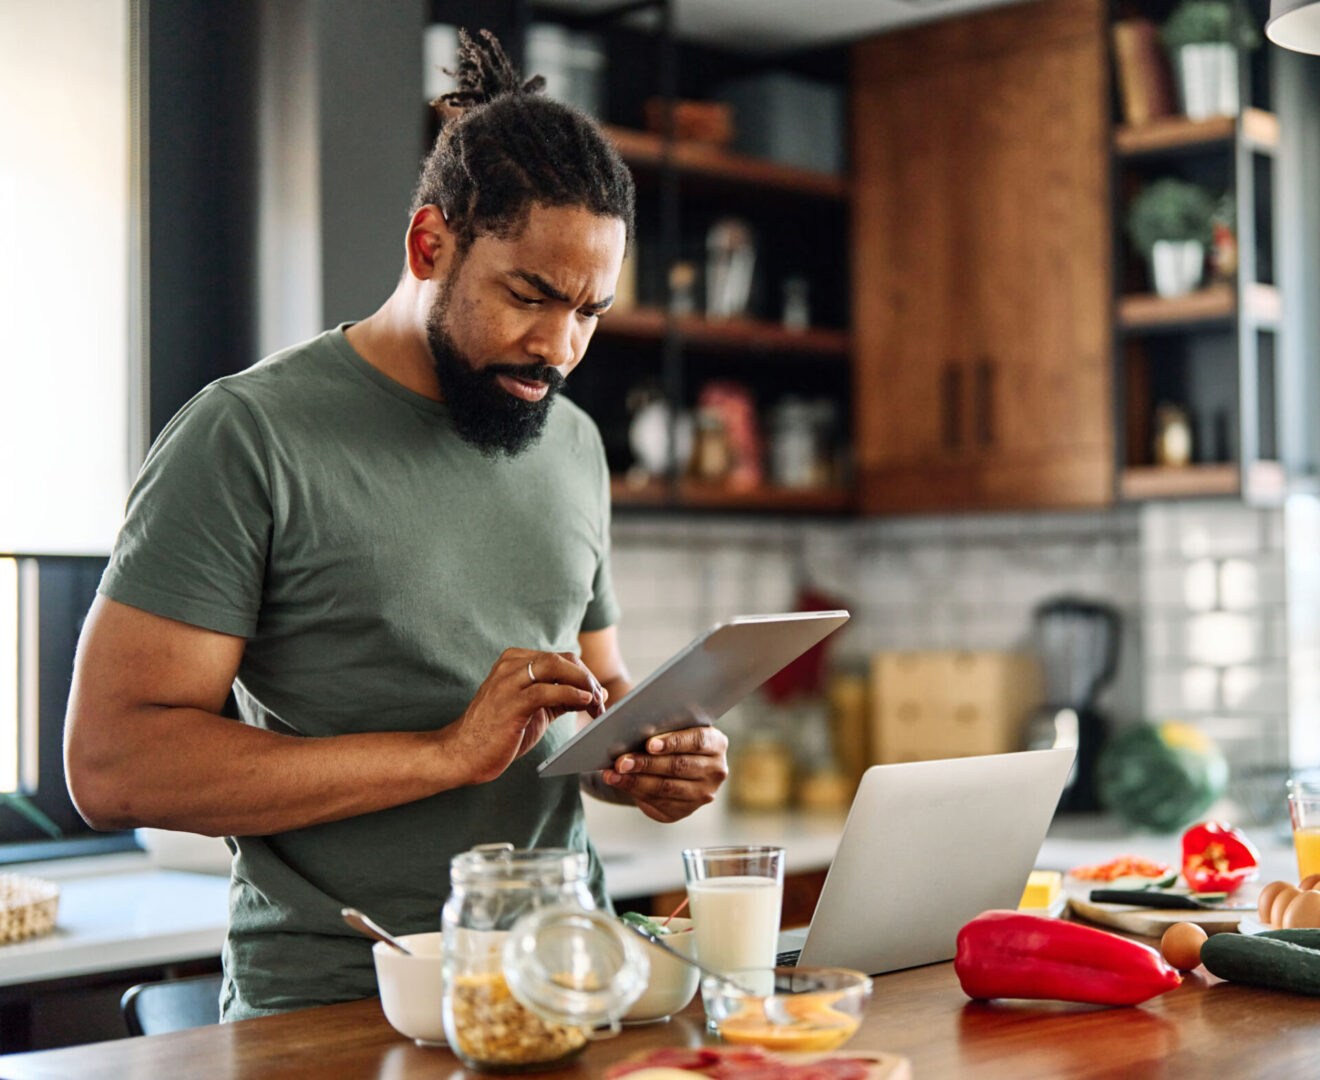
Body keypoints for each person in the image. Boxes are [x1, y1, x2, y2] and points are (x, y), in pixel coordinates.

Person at [63, 29, 728, 1020]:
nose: (559, 347)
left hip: (564, 992)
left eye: (590, 310)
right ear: (430, 245)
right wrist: (444, 755)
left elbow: (591, 689)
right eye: (531, 296)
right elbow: (112, 766)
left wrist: (645, 758)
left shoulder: (574, 442)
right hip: (335, 1011)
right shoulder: (248, 435)